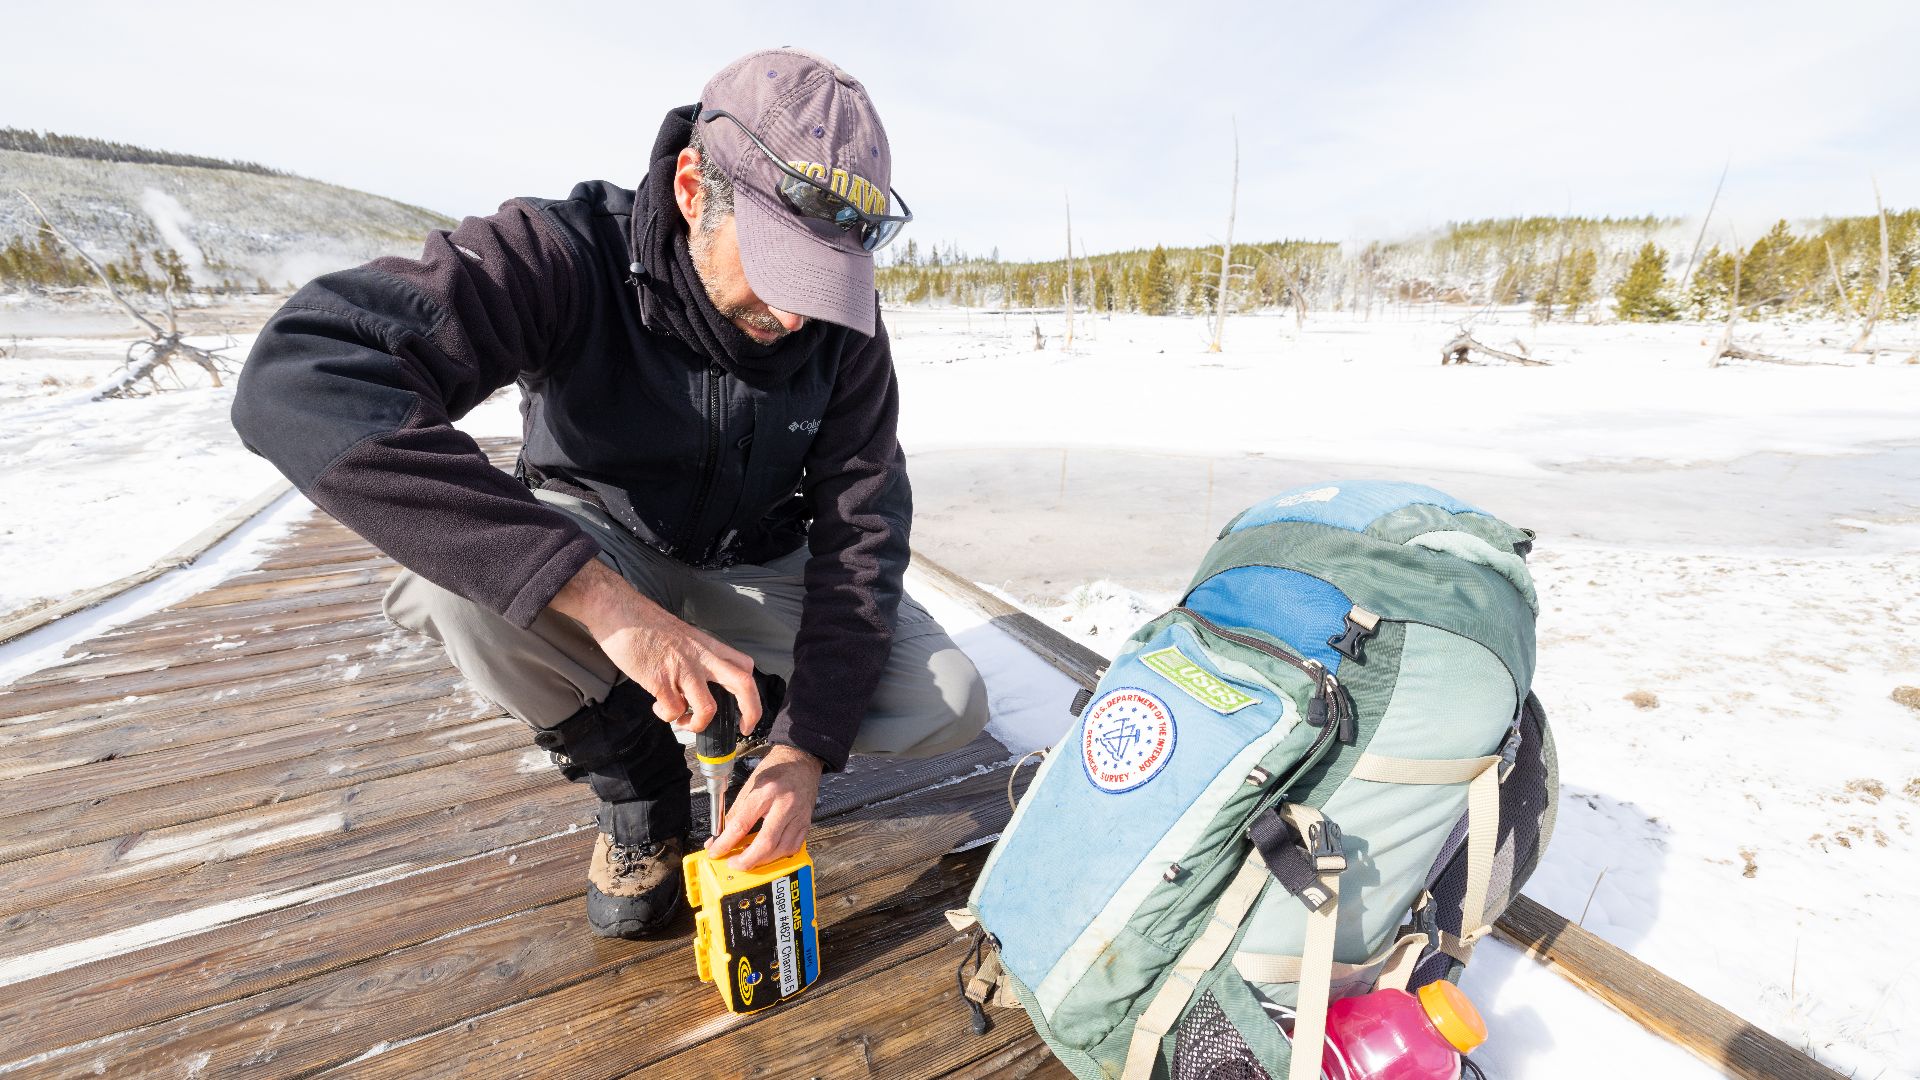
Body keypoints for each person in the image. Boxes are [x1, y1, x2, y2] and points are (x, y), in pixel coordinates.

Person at [230, 48, 989, 939]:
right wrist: (602, 601)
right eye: (782, 271)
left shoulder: (843, 331)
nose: (795, 319)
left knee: (947, 701)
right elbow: (299, 376)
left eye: (823, 286)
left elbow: (864, 529)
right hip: (605, 542)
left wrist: (808, 746)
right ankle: (638, 781)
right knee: (451, 587)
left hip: (759, 557)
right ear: (694, 186)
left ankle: (748, 733)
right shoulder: (559, 253)